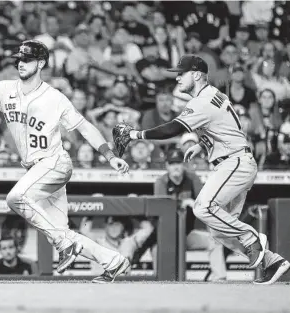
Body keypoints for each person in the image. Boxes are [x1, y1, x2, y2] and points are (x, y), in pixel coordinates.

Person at [0, 40, 130, 284]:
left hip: (54, 163)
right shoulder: (4, 89)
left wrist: (110, 155)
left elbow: (84, 127)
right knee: (61, 231)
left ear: (40, 63)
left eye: (27, 60)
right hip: (37, 171)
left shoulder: (54, 98)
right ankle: (114, 262)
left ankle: (64, 245)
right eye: (19, 59)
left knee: (15, 198)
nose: (21, 63)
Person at [119, 54, 290, 284]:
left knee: (203, 208)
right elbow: (227, 125)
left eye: (182, 73)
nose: (178, 78)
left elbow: (172, 129)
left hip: (234, 163)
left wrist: (134, 134)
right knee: (218, 231)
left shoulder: (202, 100)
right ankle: (272, 262)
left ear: (197, 74)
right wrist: (202, 144)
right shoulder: (213, 95)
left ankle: (251, 238)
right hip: (234, 160)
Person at [155, 148, 226, 282]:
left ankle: (220, 278)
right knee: (153, 246)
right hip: (165, 236)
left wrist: (192, 203)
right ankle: (156, 282)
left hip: (186, 235)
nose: (175, 166)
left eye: (178, 163)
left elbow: (204, 205)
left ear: (184, 165)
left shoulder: (192, 178)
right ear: (167, 166)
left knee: (214, 241)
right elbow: (160, 210)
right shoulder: (161, 182)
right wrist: (181, 202)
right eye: (172, 163)